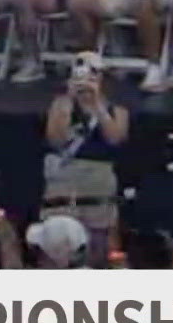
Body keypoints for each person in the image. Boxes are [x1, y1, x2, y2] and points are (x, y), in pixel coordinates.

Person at [41, 51, 128, 265]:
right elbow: (55, 139)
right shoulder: (61, 104)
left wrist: (97, 104)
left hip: (98, 180)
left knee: (98, 241)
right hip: (65, 179)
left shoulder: (117, 108)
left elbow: (116, 138)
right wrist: (70, 101)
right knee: (59, 239)